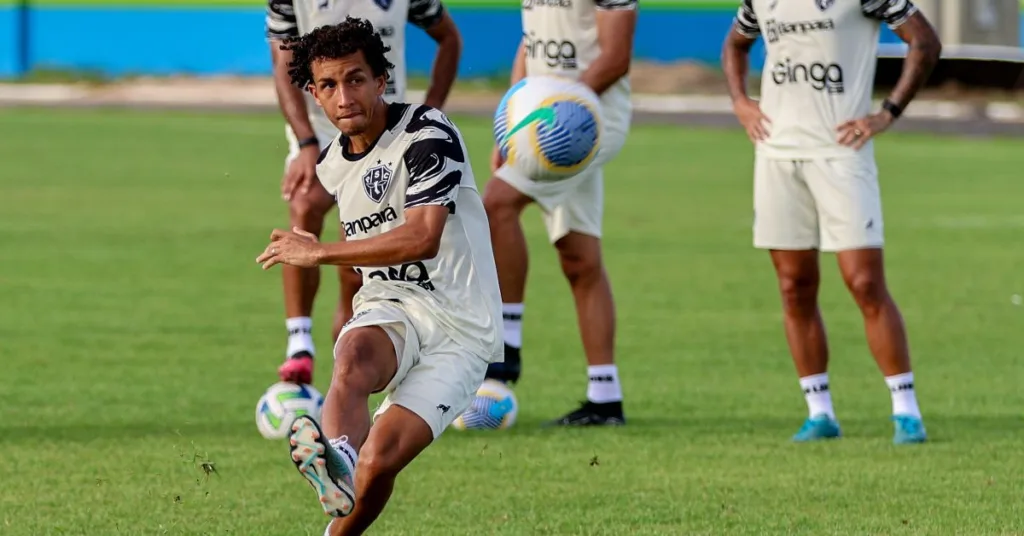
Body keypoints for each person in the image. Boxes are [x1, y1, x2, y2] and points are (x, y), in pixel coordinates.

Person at [256, 19, 501, 535]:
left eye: (355, 79)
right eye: (328, 85)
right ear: (314, 95)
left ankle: (340, 502)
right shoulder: (330, 166)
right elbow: (357, 247)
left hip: (462, 329)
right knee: (352, 357)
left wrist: (318, 252)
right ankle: (337, 456)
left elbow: (421, 238)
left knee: (380, 460)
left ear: (382, 79)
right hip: (392, 305)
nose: (344, 96)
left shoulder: (429, 133)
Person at [721, 0, 942, 443]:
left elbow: (924, 41)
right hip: (777, 154)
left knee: (863, 282)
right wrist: (741, 102)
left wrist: (887, 113)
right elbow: (735, 45)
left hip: (842, 153)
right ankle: (819, 411)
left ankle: (905, 411)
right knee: (793, 285)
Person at [266, 0, 462, 385]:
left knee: (359, 269)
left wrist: (431, 110)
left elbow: (449, 38)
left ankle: (351, 363)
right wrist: (306, 141)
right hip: (323, 125)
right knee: (304, 205)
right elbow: (283, 65)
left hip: (384, 127)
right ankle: (299, 343)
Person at [481, 0, 637, 427]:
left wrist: (557, 111)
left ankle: (506, 343)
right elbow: (530, 46)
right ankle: (605, 399)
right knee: (580, 258)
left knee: (496, 204)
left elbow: (616, 57)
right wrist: (510, 120)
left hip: (584, 121)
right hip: (539, 121)